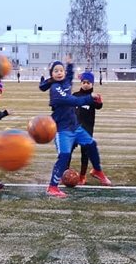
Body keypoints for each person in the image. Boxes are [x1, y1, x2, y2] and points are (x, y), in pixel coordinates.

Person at [41, 55, 111, 198]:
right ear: (52, 75)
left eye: (61, 70)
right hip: (62, 129)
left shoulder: (66, 82)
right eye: (56, 71)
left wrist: (70, 64)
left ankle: (97, 171)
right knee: (65, 155)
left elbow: (70, 75)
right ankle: (52, 187)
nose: (59, 72)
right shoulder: (55, 89)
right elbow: (71, 100)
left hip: (75, 126)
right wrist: (90, 97)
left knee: (91, 144)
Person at [73, 71, 103, 185]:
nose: (86, 84)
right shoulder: (75, 95)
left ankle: (82, 175)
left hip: (87, 129)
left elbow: (99, 106)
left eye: (88, 82)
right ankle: (64, 172)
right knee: (68, 151)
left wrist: (98, 100)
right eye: (84, 82)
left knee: (85, 153)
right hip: (74, 128)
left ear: (92, 84)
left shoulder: (93, 97)